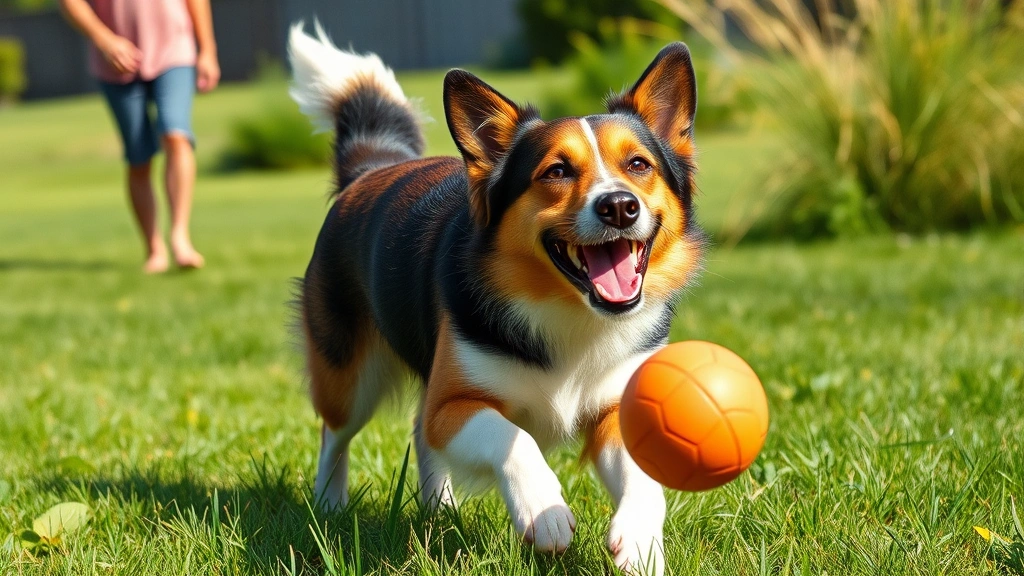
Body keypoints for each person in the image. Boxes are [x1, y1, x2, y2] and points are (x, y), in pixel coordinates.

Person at [59, 0, 220, 272]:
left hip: (175, 48)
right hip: (116, 59)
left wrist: (208, 49)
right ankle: (154, 249)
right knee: (138, 156)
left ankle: (180, 236)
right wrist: (104, 40)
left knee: (175, 134)